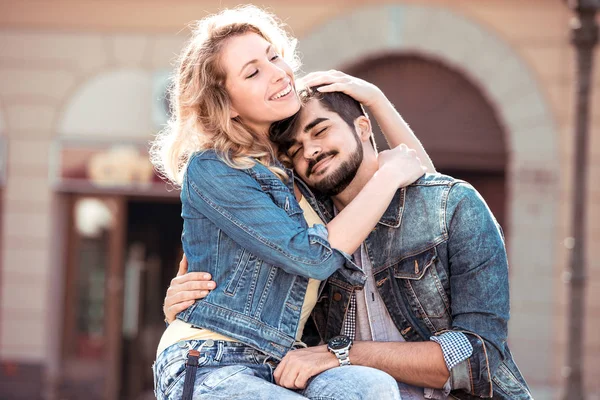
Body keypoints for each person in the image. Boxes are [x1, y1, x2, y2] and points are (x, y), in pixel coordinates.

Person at [164, 72, 534, 399]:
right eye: (294, 151)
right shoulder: (312, 235)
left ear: (361, 127)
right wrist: (190, 303)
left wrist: (342, 351)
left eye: (321, 130)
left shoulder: (453, 207)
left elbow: (476, 354)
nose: (310, 150)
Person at [150, 5, 433, 400]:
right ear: (226, 104)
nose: (277, 72)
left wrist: (376, 98)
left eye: (273, 56)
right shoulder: (214, 169)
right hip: (211, 357)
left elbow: (426, 189)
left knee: (371, 387)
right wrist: (387, 175)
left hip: (280, 361)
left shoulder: (294, 169)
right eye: (253, 72)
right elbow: (312, 257)